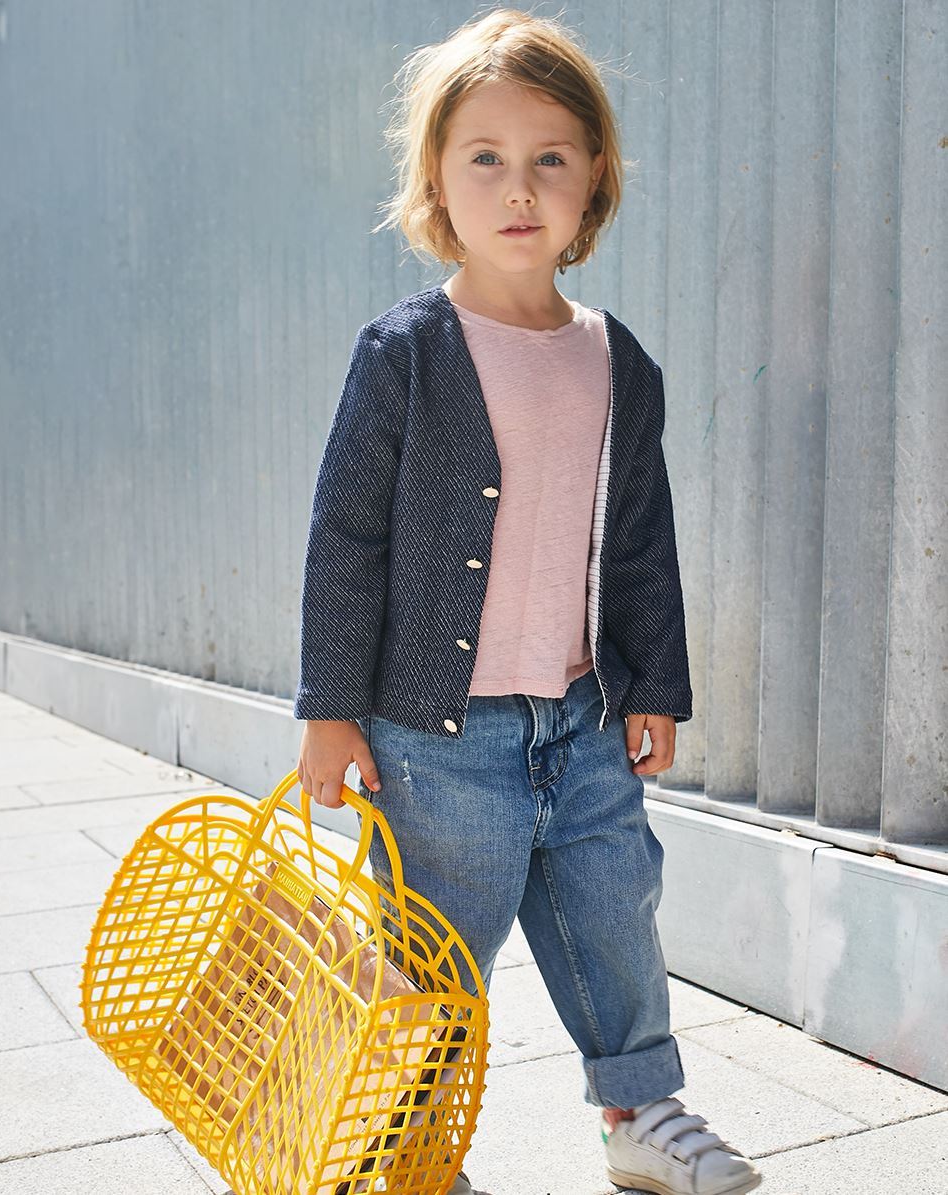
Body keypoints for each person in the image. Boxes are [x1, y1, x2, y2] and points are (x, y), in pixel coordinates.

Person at [293, 9, 762, 1195]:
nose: (518, 187)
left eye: (549, 157)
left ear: (592, 177)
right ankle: (404, 1150)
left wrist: (655, 684)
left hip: (584, 720)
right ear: (438, 185)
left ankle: (640, 1114)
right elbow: (343, 537)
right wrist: (329, 709)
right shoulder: (405, 350)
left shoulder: (617, 358)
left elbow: (641, 541)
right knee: (435, 956)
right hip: (432, 738)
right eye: (484, 158)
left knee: (615, 920)